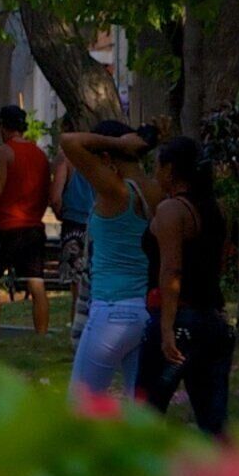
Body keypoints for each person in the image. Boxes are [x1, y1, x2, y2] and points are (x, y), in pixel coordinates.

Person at [135, 137, 234, 435]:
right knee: (213, 422)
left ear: (171, 170)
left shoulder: (171, 211)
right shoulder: (218, 209)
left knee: (145, 415)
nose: (155, 175)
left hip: (179, 318)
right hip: (212, 320)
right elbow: (222, 261)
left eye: (158, 167)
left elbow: (171, 270)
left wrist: (166, 329)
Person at [58, 121, 156, 405]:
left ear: (105, 158)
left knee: (80, 406)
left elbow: (69, 141)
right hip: (144, 310)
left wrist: (117, 144)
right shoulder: (153, 190)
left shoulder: (116, 192)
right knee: (140, 412)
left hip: (111, 310)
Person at [0, 106, 56, 335]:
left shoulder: (3, 153)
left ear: (2, 126)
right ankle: (41, 334)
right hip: (32, 227)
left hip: (2, 227)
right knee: (36, 283)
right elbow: (45, 192)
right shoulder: (40, 154)